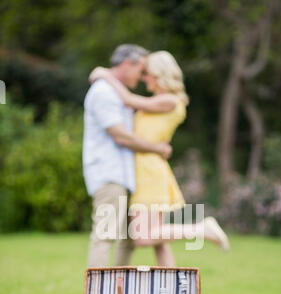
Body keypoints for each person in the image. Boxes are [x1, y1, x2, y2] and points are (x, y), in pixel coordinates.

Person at [89, 50, 230, 267]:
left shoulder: (170, 101)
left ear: (158, 75)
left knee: (143, 236)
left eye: (147, 73)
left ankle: (201, 230)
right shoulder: (159, 101)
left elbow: (128, 99)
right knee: (158, 241)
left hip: (148, 171)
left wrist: (105, 75)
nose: (144, 77)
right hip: (142, 169)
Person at [83, 44, 172, 267]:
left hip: (124, 178)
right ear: (126, 64)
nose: (143, 76)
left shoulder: (115, 91)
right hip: (109, 176)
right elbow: (120, 136)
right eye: (141, 69)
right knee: (104, 236)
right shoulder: (103, 92)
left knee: (127, 241)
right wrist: (157, 148)